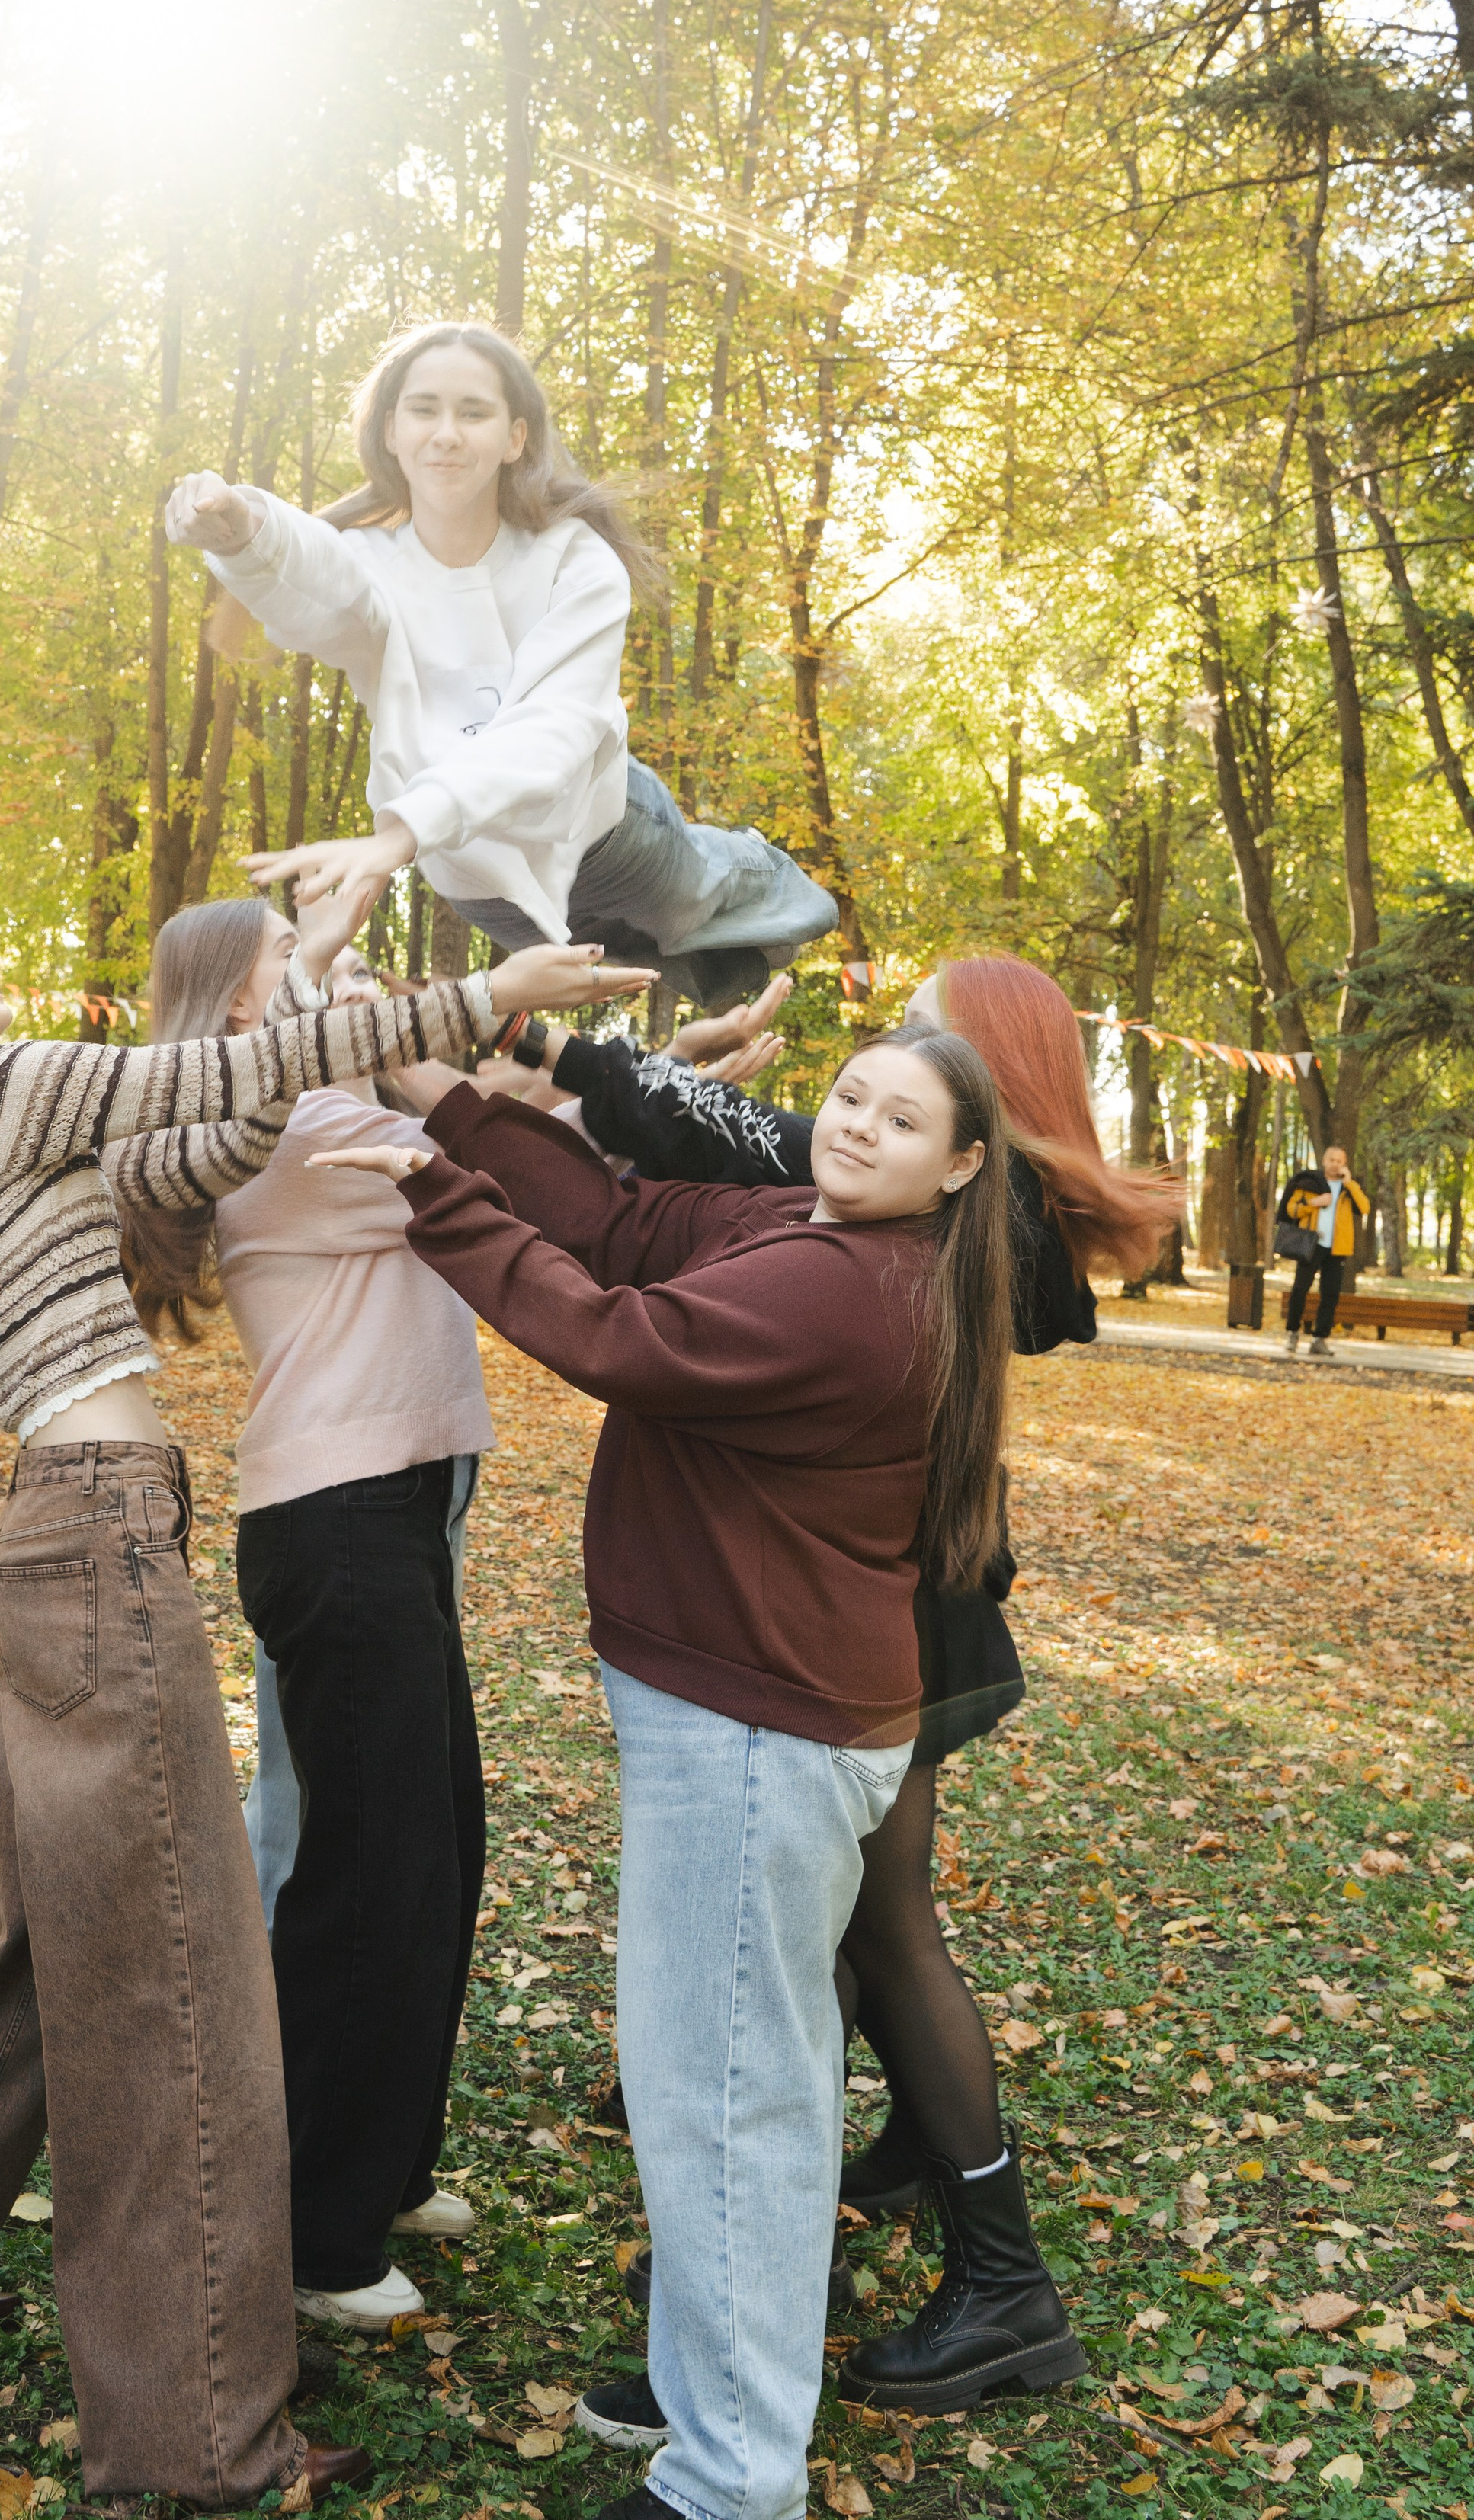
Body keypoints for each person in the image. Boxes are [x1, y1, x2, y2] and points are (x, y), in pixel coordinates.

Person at [0, 872, 646, 2506]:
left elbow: (192, 1148)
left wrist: (310, 998)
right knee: (178, 1997)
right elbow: (210, 1083)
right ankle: (197, 2434)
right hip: (97, 1539)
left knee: (28, 1949)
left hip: (71, 1535)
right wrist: (478, 993)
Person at [309, 1028, 1017, 2520]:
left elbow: (614, 1333)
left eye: (901, 1121)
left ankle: (729, 2481)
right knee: (741, 2087)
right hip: (745, 1716)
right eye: (848, 1096)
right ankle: (719, 2409)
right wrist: (441, 1100)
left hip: (757, 1741)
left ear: (958, 1166)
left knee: (722, 2105)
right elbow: (622, 1224)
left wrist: (429, 1189)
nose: (855, 1127)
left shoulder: (849, 1290)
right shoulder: (802, 1222)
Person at [508, 954, 1180, 2416]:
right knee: (848, 1938)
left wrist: (574, 1048)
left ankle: (990, 2280)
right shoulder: (996, 1199)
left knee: (866, 1934)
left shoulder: (973, 1196)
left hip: (887, 1605)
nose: (879, 1087)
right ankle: (810, 2260)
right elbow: (729, 1152)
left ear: (979, 1084)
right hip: (909, 1584)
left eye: (925, 1038)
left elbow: (736, 1141)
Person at [112, 899, 495, 2336]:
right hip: (335, 1521)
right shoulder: (288, 1124)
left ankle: (384, 2167)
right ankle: (315, 2237)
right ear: (232, 1007)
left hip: (387, 1512)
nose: (334, 968)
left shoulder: (319, 1095)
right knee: (368, 1878)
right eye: (301, 954)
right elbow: (488, 1170)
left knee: (441, 1849)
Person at [165, 320, 838, 1008]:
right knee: (659, 972)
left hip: (605, 831)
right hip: (481, 884)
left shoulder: (573, 560)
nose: (447, 433)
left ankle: (755, 867)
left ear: (515, 437)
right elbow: (314, 576)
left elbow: (553, 732)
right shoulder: (372, 569)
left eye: (474, 412)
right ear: (391, 430)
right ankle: (730, 978)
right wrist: (244, 532)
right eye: (425, 409)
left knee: (689, 907)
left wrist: (401, 833)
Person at [1279, 1144, 1368, 1358]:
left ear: (1345, 1164)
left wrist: (1350, 1183)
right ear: (1324, 1161)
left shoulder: (1349, 1188)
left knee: (1330, 1294)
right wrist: (1314, 1202)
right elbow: (1292, 1209)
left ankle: (1319, 1339)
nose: (1336, 1164)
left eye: (1340, 1161)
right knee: (1300, 1289)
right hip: (1311, 1244)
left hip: (1337, 1248)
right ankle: (1292, 1333)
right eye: (1332, 1160)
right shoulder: (1308, 1183)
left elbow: (1364, 1208)